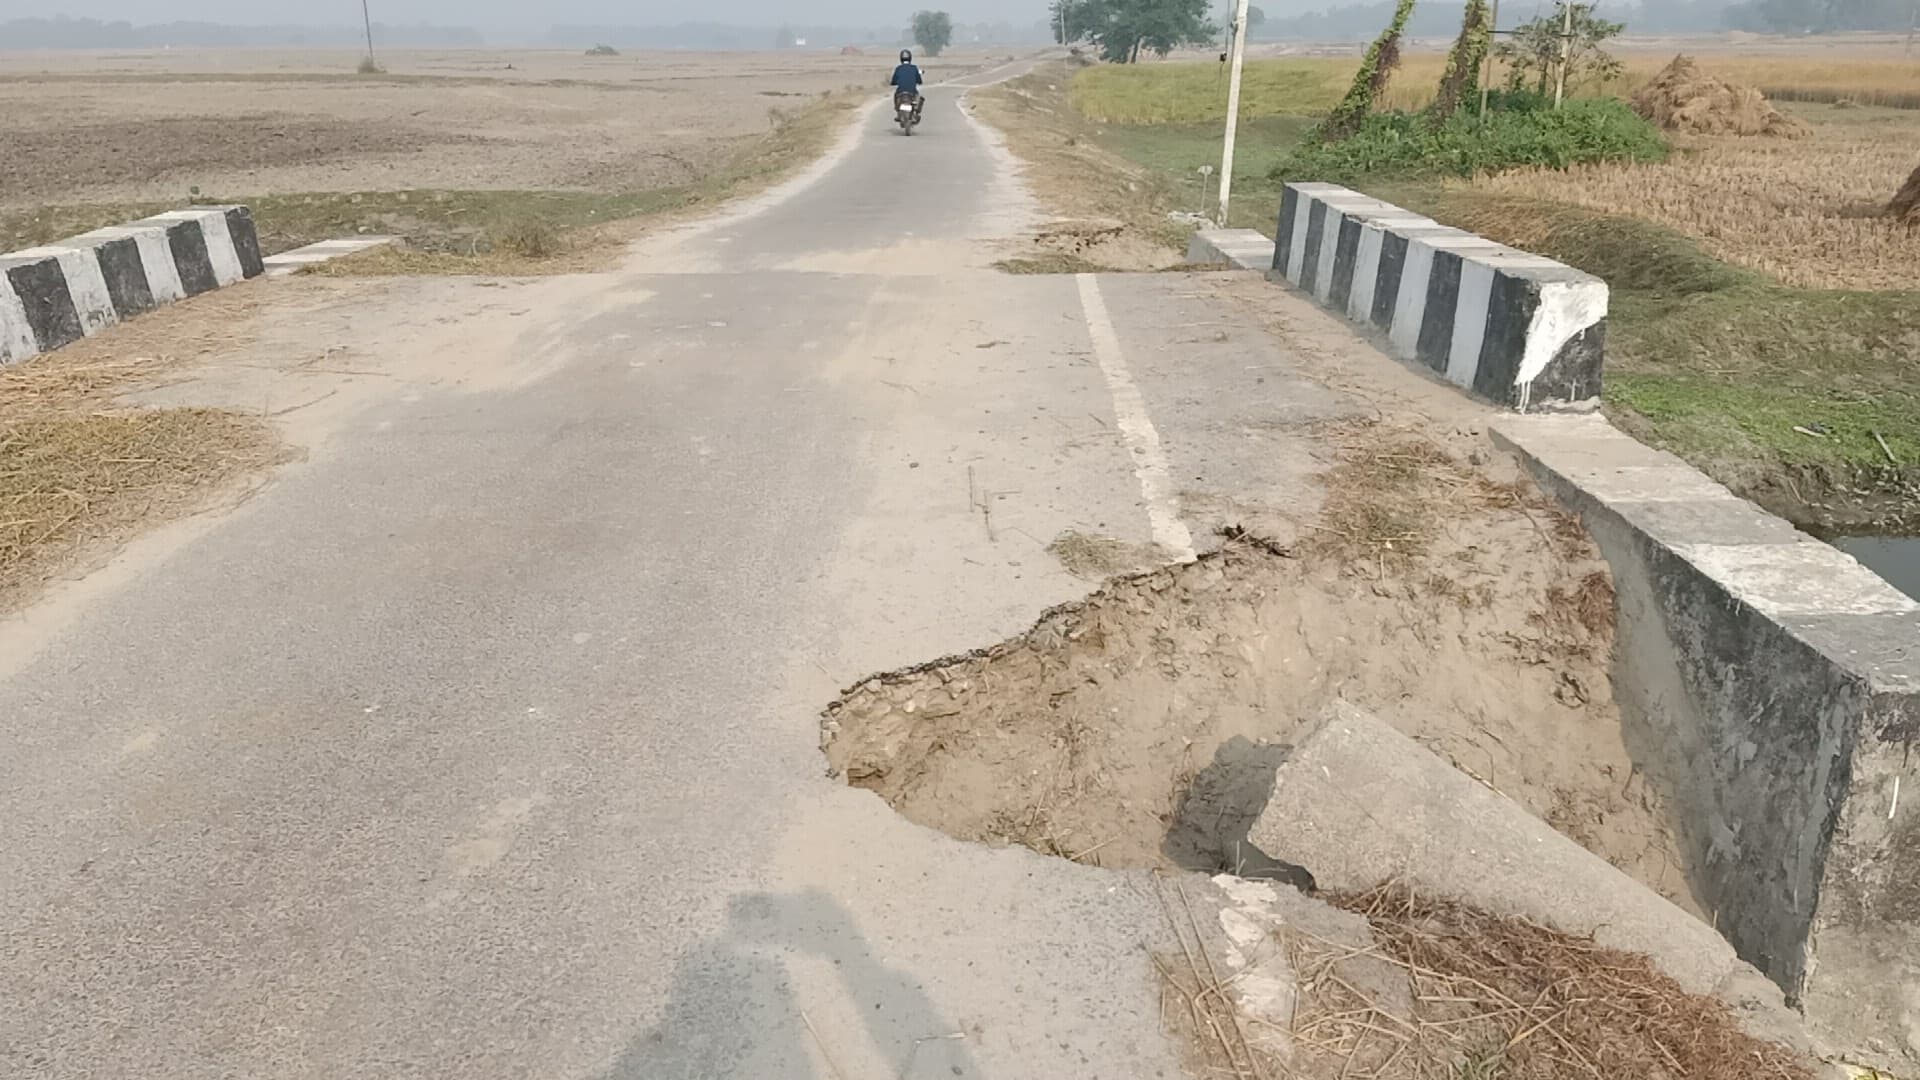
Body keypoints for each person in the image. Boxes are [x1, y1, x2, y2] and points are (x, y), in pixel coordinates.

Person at [889, 49, 924, 120]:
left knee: (896, 95)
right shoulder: (914, 68)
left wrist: (893, 83)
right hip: (912, 91)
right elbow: (919, 80)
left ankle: (898, 111)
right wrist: (919, 82)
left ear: (901, 58)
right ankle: (916, 112)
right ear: (910, 58)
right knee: (918, 97)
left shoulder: (898, 68)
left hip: (900, 91)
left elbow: (893, 80)